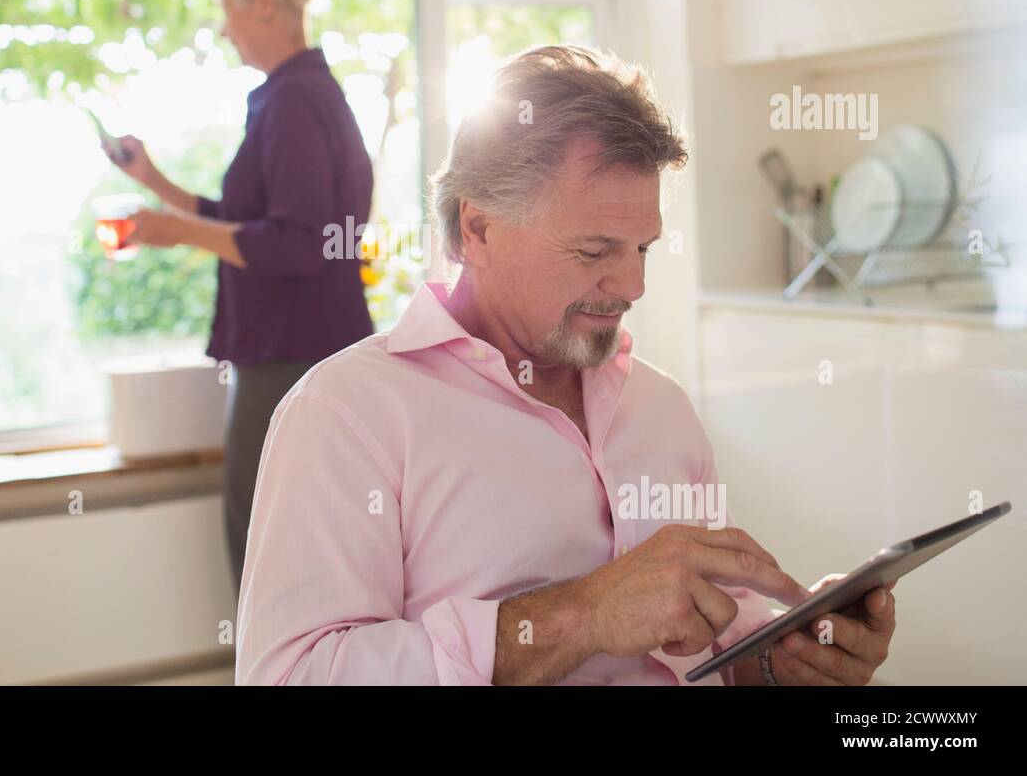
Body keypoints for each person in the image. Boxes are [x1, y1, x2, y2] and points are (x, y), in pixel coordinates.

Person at [234, 45, 898, 685]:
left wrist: (783, 662)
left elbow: (718, 642)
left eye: (643, 247)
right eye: (593, 251)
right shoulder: (346, 414)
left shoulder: (661, 409)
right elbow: (297, 676)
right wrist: (587, 613)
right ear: (479, 230)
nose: (633, 285)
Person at [104, 0, 374, 593]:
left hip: (292, 355)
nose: (223, 30)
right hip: (306, 349)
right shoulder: (298, 95)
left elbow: (294, 242)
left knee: (260, 534)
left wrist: (181, 231)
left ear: (262, 2)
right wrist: (159, 186)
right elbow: (252, 219)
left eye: (227, 10)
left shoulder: (293, 100)